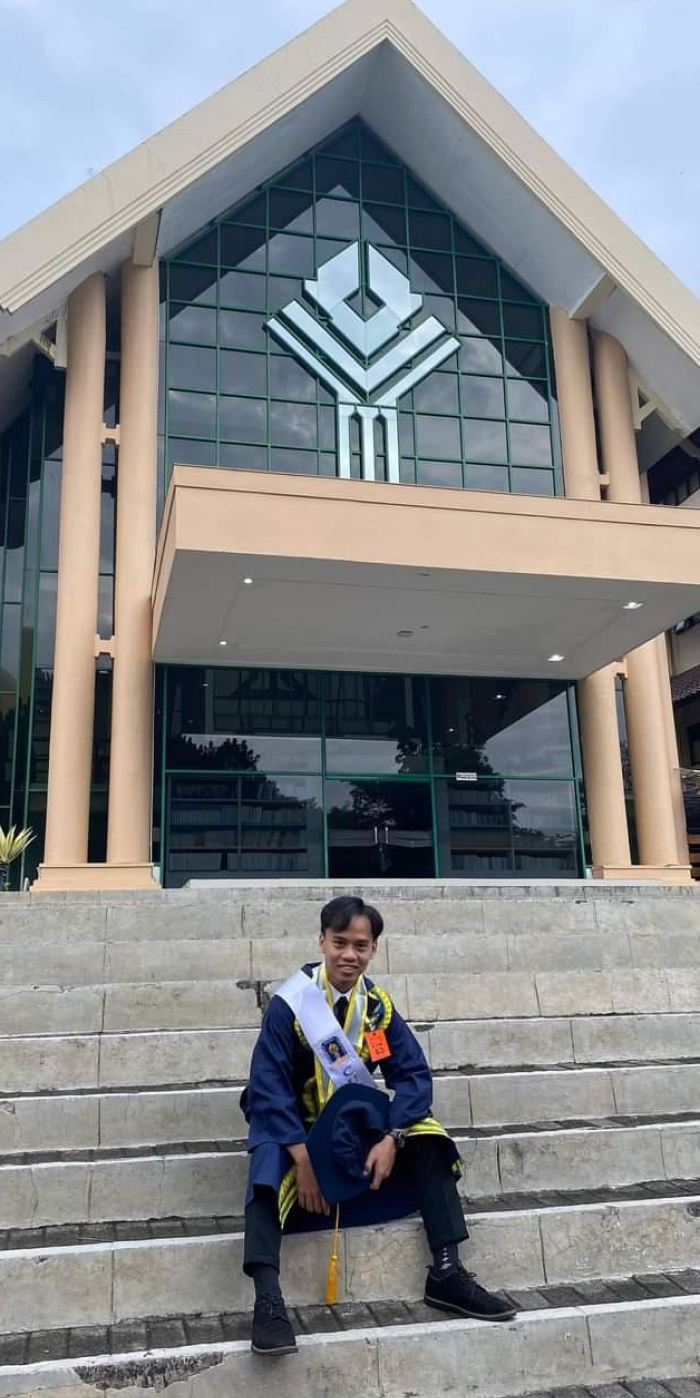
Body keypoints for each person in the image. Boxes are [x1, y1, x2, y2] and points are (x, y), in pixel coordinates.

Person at [241, 894, 516, 1356]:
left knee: (428, 1136)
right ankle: (267, 1300)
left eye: (361, 946)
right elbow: (267, 1085)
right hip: (296, 1130)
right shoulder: (292, 1003)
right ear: (322, 941)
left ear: (373, 949)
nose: (349, 955)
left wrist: (392, 1137)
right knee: (265, 1160)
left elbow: (412, 1075)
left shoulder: (375, 1008)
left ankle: (446, 1271)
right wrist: (303, 1159)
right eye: (340, 943)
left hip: (354, 1131)